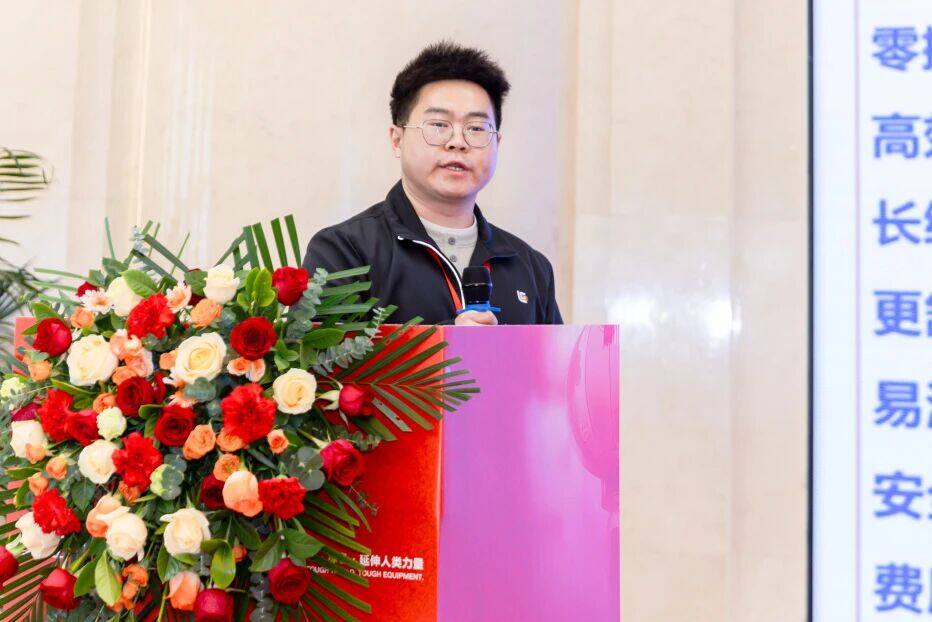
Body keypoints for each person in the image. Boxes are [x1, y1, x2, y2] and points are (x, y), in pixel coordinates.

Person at [303, 41, 563, 326]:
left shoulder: (530, 267)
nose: (458, 142)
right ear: (397, 139)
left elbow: (558, 357)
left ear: (497, 144)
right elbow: (324, 355)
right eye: (439, 125)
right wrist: (449, 341)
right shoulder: (345, 252)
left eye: (476, 128)